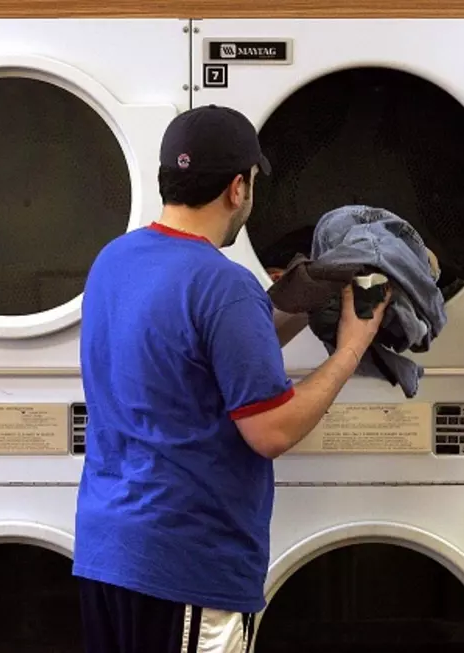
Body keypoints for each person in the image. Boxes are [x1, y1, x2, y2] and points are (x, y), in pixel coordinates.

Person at [72, 104, 390, 653]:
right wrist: (350, 348)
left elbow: (201, 353)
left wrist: (296, 293)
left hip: (108, 552)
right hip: (187, 565)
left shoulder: (115, 260)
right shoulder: (223, 285)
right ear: (239, 188)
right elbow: (271, 431)